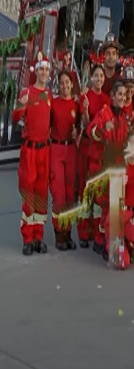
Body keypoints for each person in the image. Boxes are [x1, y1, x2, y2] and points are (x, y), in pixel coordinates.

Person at [12, 53, 53, 256]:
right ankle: (27, 238)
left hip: (44, 152)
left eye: (46, 69)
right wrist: (22, 103)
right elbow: (15, 117)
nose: (44, 73)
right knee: (28, 193)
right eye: (41, 69)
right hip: (29, 152)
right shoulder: (27, 93)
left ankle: (38, 237)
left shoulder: (48, 95)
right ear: (35, 71)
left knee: (41, 195)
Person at [86, 81, 131, 258]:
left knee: (108, 207)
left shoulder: (124, 117)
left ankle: (101, 241)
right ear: (112, 96)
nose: (122, 98)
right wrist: (103, 128)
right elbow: (91, 132)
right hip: (101, 167)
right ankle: (102, 242)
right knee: (103, 206)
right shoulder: (104, 113)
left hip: (116, 168)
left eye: (124, 95)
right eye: (119, 94)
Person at [76, 63, 110, 248]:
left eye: (101, 76)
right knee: (85, 190)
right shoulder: (85, 96)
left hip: (100, 151)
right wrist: (87, 109)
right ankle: (83, 233)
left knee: (98, 193)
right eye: (96, 76)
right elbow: (86, 125)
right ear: (92, 78)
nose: (99, 79)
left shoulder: (106, 99)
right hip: (87, 148)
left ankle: (97, 231)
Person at [105, 128, 134, 270]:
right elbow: (110, 197)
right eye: (132, 143)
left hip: (129, 214)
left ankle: (126, 246)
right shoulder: (118, 163)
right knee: (123, 263)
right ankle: (114, 246)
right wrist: (118, 185)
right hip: (116, 215)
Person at [50, 71, 80, 251]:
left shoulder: (76, 105)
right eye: (61, 83)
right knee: (59, 194)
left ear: (71, 84)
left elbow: (80, 125)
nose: (64, 86)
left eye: (67, 82)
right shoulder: (53, 104)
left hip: (71, 151)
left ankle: (68, 232)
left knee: (70, 194)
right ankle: (59, 233)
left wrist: (77, 132)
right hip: (56, 149)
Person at [98, 32, 123, 97]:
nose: (111, 57)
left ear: (117, 56)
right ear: (103, 56)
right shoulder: (97, 78)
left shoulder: (121, 79)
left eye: (114, 53)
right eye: (108, 53)